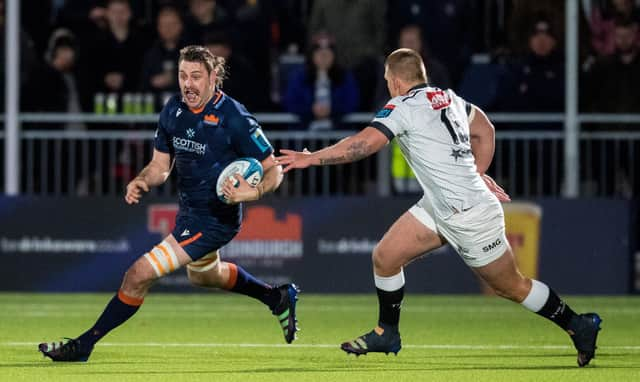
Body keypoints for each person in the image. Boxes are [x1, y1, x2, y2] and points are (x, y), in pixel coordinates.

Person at [276, 48, 601, 367]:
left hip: (469, 213)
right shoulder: (449, 98)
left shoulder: (402, 105)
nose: (388, 85)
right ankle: (387, 331)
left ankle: (578, 325)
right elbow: (485, 129)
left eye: (388, 79)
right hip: (441, 205)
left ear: (395, 81)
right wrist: (477, 173)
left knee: (511, 286)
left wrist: (310, 158)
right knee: (386, 257)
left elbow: (364, 144)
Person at [38, 45, 300, 362]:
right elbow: (160, 166)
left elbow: (273, 168)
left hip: (215, 220)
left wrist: (253, 193)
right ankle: (276, 297)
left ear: (214, 77)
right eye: (182, 75)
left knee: (138, 274)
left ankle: (84, 344)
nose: (187, 84)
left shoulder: (235, 117)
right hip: (189, 211)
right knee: (204, 275)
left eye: (196, 77)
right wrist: (142, 180)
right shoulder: (173, 110)